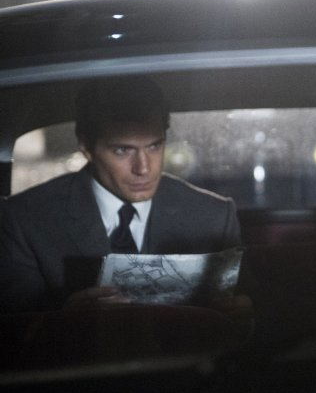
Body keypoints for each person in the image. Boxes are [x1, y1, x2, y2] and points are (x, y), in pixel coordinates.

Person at [0, 79, 244, 313]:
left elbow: (243, 321)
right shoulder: (26, 220)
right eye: (122, 150)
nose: (143, 168)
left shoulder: (213, 216)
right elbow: (17, 330)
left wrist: (239, 315)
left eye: (154, 146)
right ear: (86, 147)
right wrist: (70, 321)